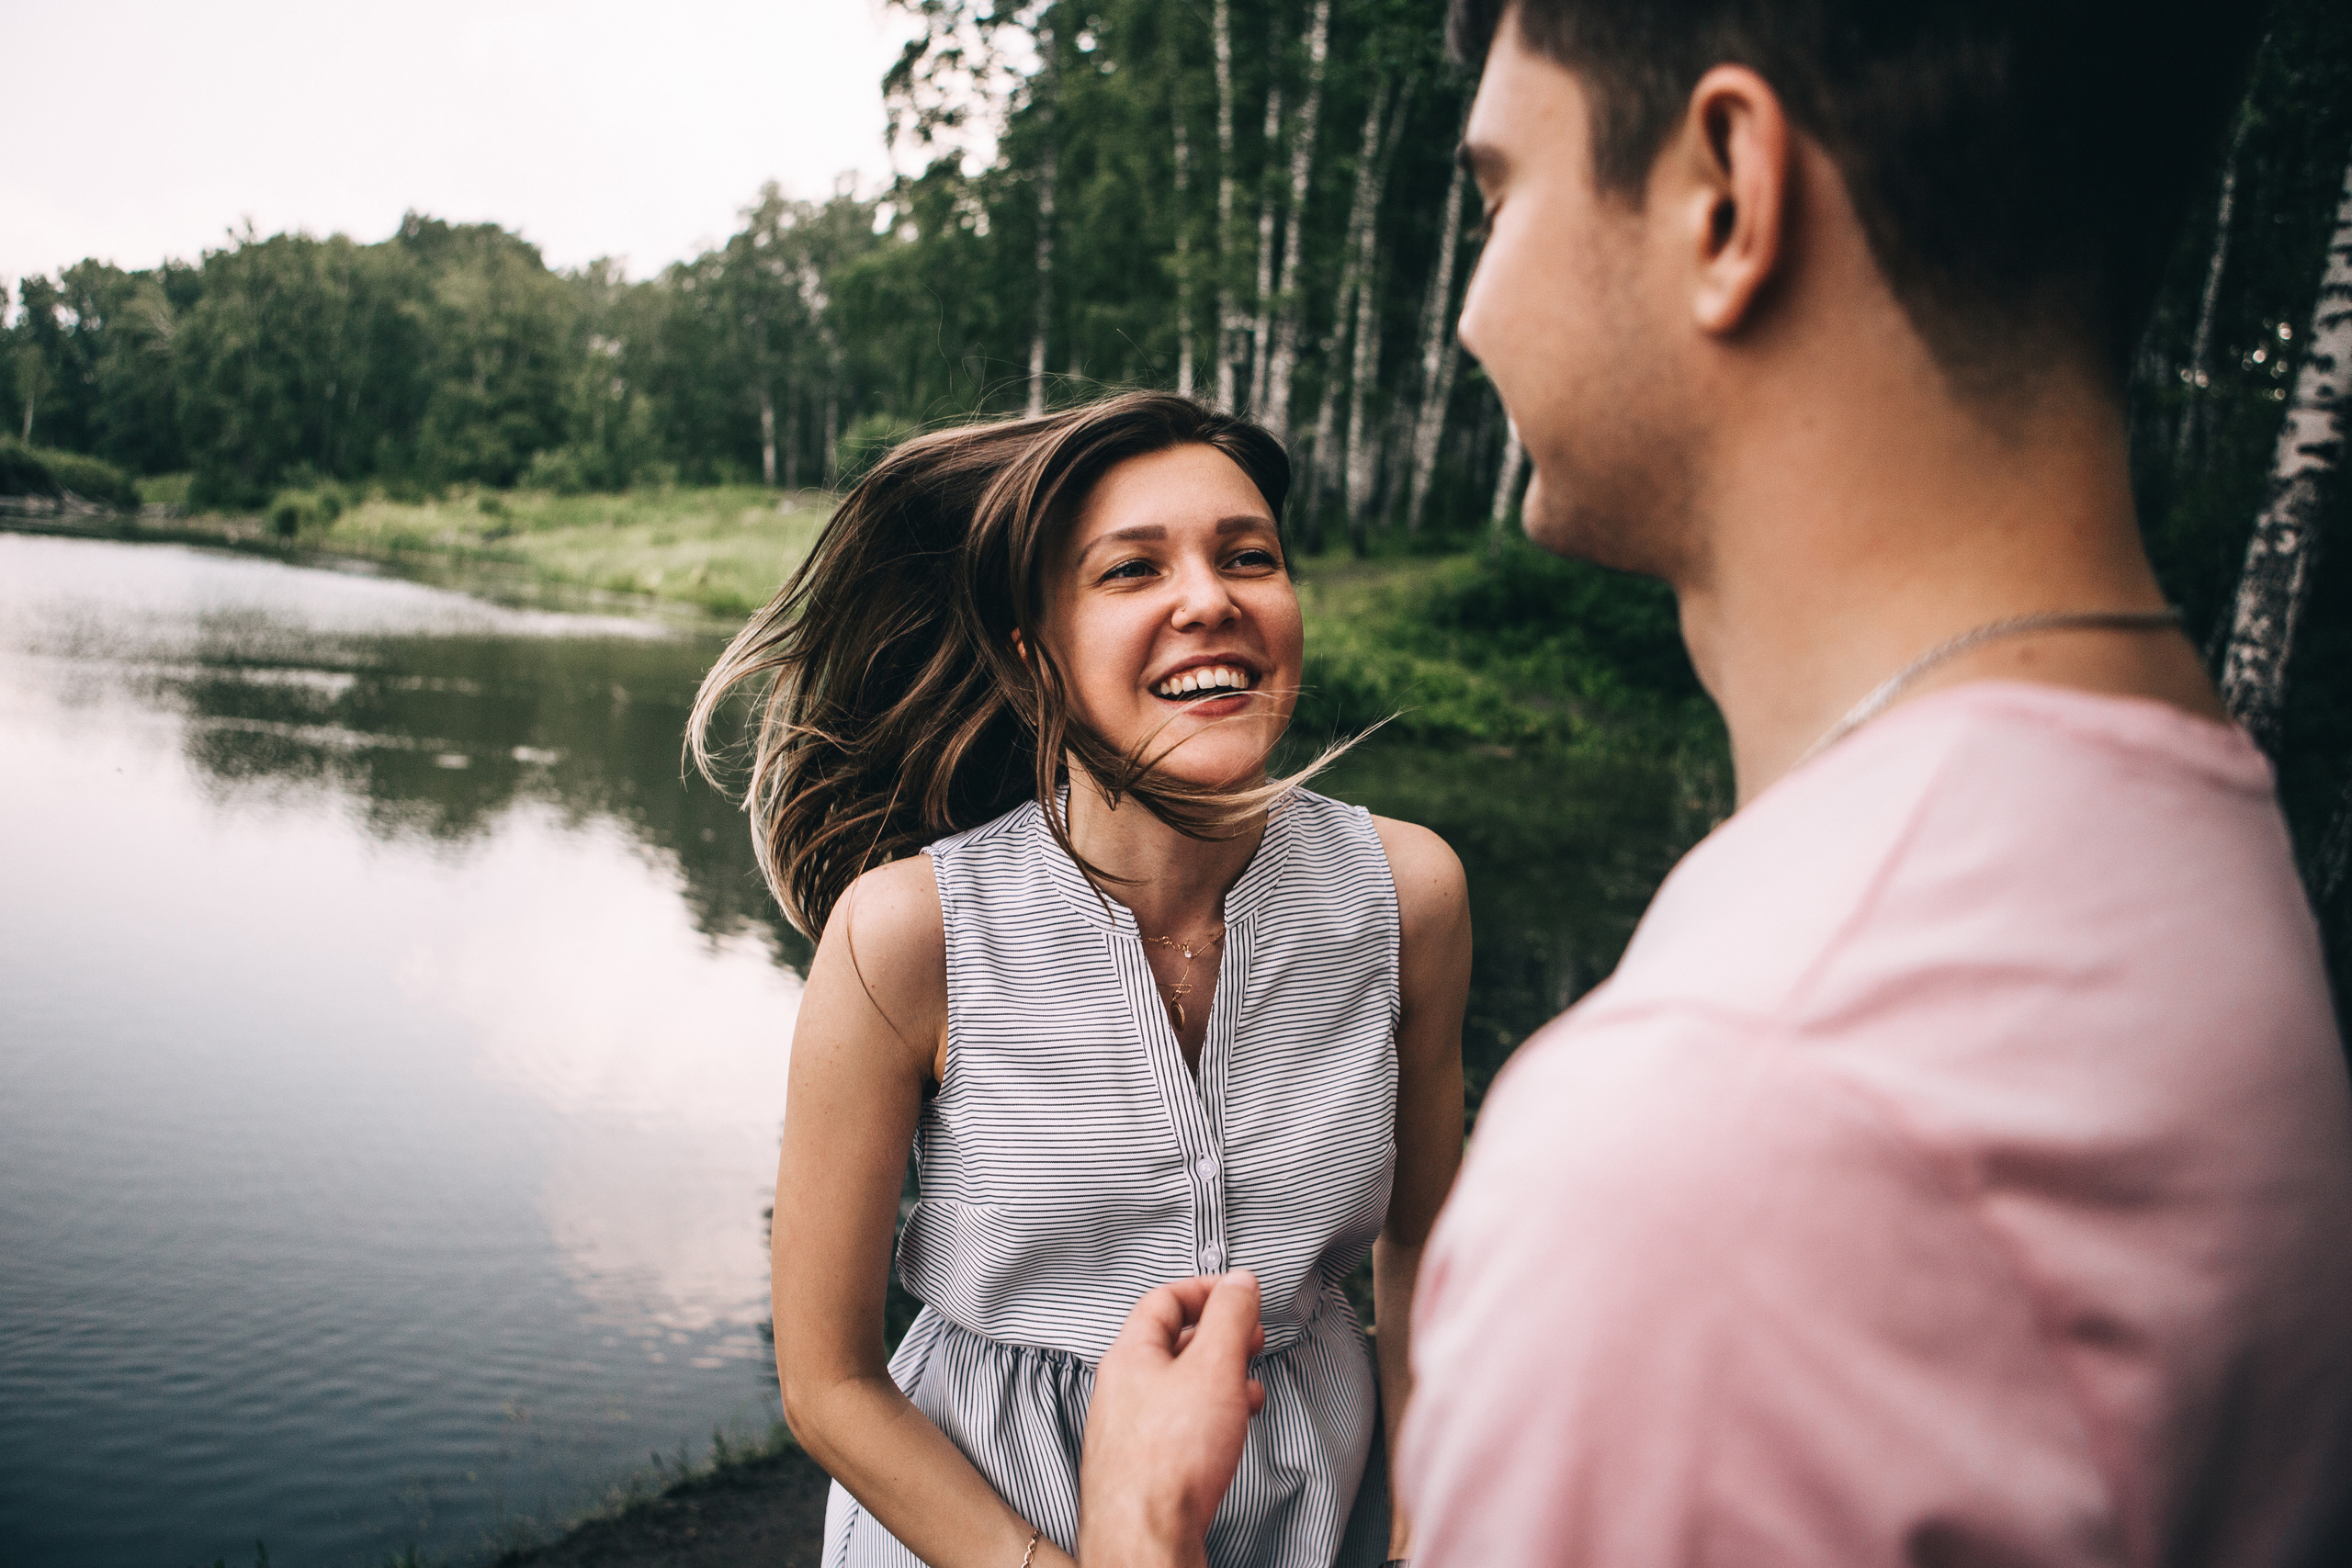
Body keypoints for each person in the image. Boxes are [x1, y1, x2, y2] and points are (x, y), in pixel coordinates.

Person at [1077, 2, 2352, 1564]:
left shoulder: (1712, 1136)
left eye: (1494, 195)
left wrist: (1139, 1524)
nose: (1471, 308)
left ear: (1726, 197)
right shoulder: (2190, 836)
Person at [692, 392, 1470, 1568]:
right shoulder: (905, 937)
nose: (1209, 598)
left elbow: (1422, 1244)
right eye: (1130, 570)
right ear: (1030, 648)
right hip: (982, 1529)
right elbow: (827, 1382)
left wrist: (1422, 1521)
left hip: (1324, 1513)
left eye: (1247, 557)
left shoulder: (1409, 894)